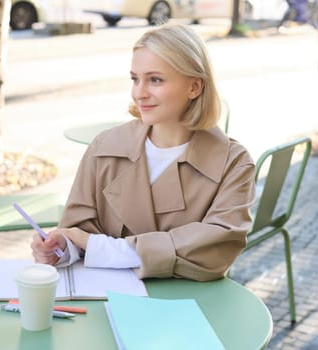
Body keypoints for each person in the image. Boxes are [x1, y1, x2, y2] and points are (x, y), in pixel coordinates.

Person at [31, 24, 256, 282]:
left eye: (155, 80)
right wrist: (60, 249)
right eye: (135, 79)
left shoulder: (234, 163)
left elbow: (216, 250)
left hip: (189, 306)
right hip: (106, 300)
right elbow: (77, 232)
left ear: (195, 87)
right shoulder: (104, 148)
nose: (139, 93)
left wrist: (100, 248)